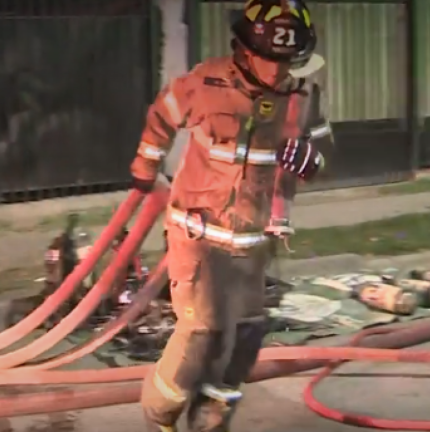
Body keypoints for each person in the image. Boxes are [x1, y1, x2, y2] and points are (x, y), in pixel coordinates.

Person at [128, 0, 332, 430]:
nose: (279, 72)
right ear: (243, 48)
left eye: (288, 61)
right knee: (201, 334)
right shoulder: (207, 82)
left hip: (252, 241)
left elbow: (323, 151)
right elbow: (161, 118)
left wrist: (311, 162)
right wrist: (145, 173)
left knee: (247, 336)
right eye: (270, 60)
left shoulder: (300, 96)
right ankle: (159, 418)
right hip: (197, 235)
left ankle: (211, 421)